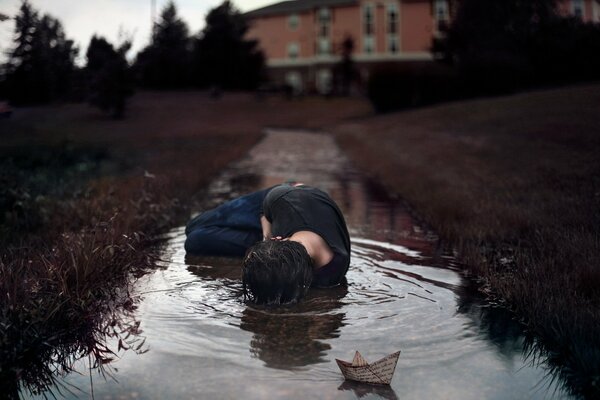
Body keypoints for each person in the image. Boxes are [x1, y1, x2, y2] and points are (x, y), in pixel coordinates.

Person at [184, 183, 351, 304]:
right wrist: (265, 236)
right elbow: (265, 211)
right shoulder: (283, 200)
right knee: (193, 226)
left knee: (195, 240)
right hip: (274, 204)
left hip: (287, 226)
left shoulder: (330, 272)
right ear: (277, 238)